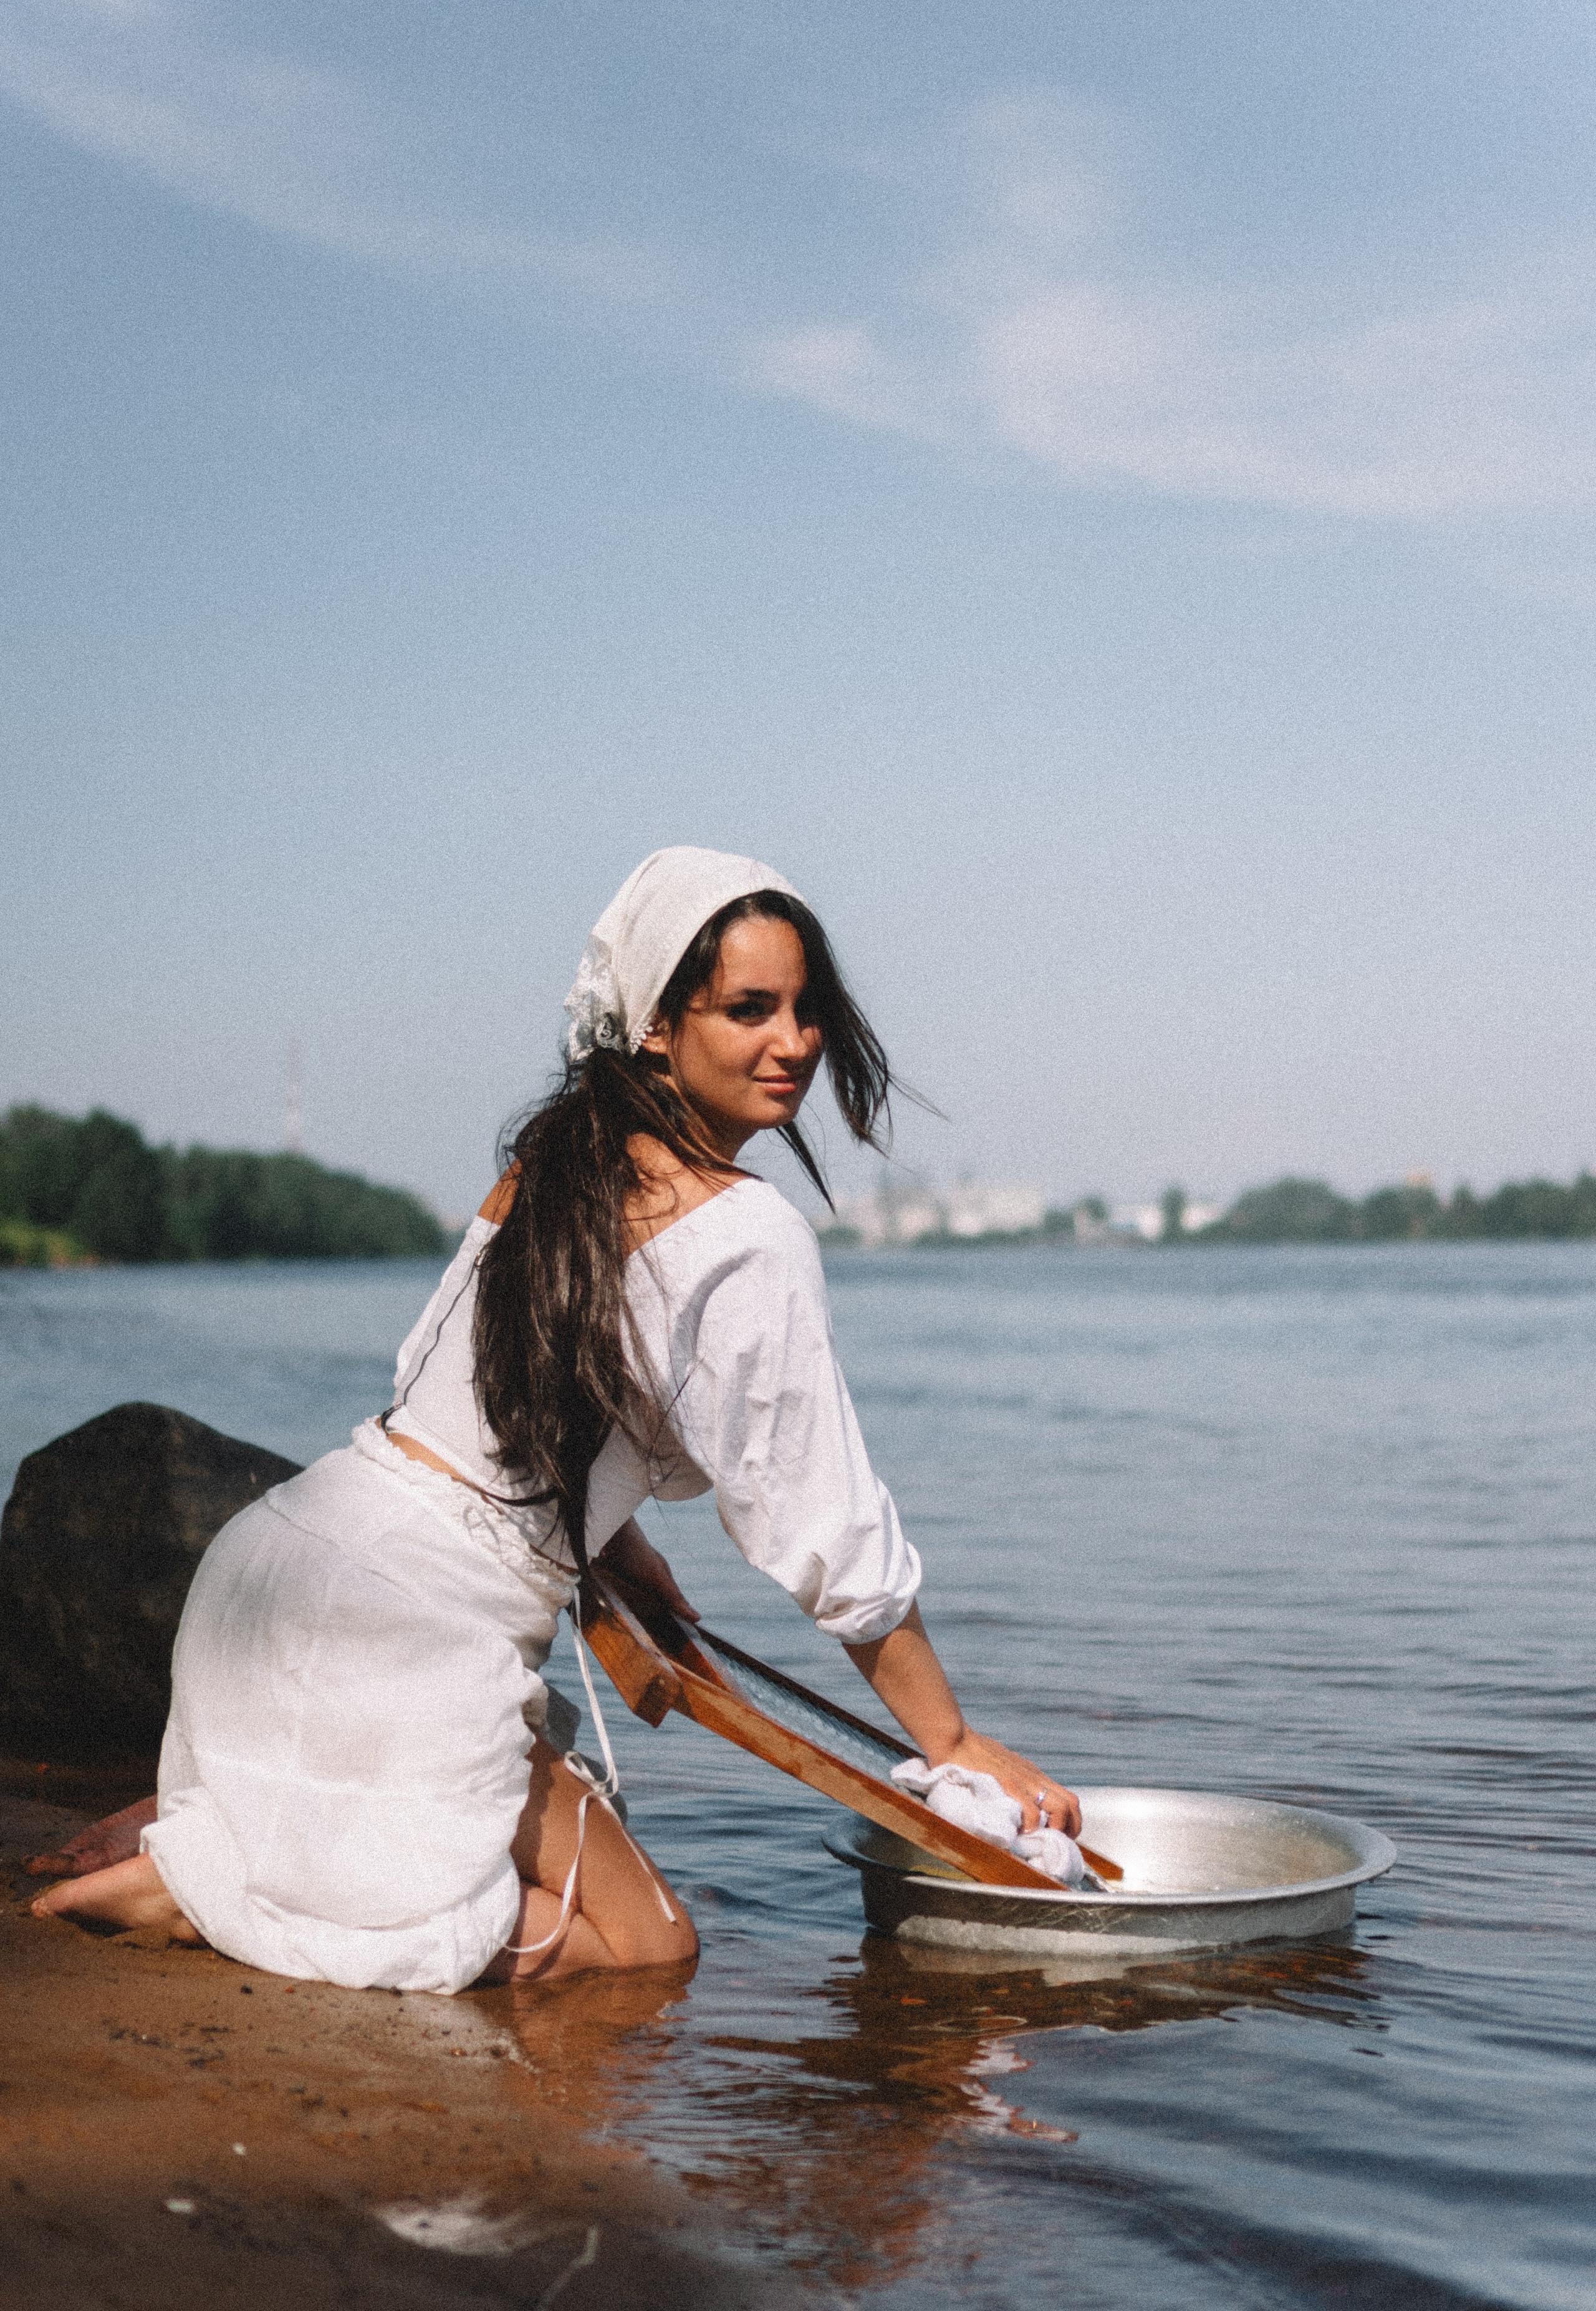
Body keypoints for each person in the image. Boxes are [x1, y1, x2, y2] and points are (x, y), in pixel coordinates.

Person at [34, 848, 1080, 1992]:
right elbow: (825, 1532)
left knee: (500, 1861)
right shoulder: (749, 1234)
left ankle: (234, 1864)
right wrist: (953, 1745)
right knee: (649, 1953)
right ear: (655, 1027)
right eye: (749, 1009)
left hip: (271, 1573)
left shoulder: (558, 1159)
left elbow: (458, 1392)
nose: (796, 1041)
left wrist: (609, 1544)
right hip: (402, 1643)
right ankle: (209, 1898)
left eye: (807, 1007)